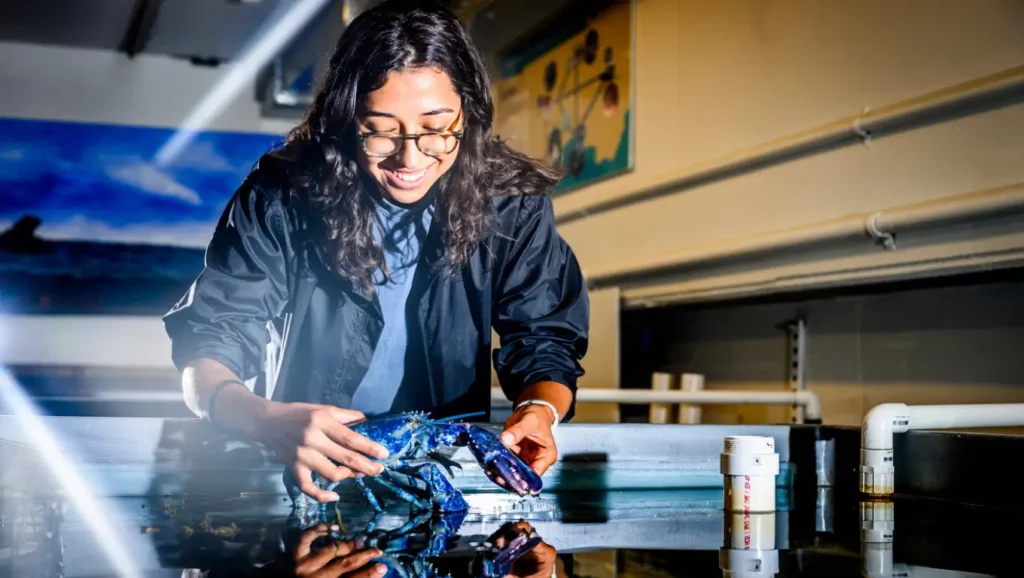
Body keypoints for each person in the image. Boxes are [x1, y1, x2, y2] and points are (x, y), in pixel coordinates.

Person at [162, 0, 589, 504]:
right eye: (381, 130)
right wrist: (266, 420)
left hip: (440, 472)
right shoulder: (283, 194)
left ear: (468, 113)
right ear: (346, 119)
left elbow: (545, 340)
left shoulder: (512, 202)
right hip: (304, 472)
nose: (410, 158)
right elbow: (209, 345)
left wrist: (539, 410)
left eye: (435, 128)